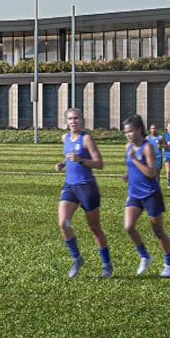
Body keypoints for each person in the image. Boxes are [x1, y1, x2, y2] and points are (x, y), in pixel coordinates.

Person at [54, 108, 113, 278]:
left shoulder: (86, 138)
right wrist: (62, 163)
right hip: (70, 187)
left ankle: (106, 264)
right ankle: (77, 258)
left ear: (82, 120)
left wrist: (81, 160)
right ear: (66, 121)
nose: (73, 121)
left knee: (94, 228)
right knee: (63, 223)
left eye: (76, 118)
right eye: (70, 119)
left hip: (87, 187)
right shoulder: (64, 137)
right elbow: (69, 156)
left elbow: (99, 164)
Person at [121, 115, 170, 276]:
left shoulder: (147, 148)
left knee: (157, 230)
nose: (128, 135)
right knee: (128, 226)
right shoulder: (128, 147)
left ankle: (169, 264)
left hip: (151, 193)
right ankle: (145, 256)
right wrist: (128, 176)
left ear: (139, 130)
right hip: (134, 193)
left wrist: (135, 160)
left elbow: (151, 173)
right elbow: (134, 169)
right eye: (126, 132)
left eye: (130, 131)